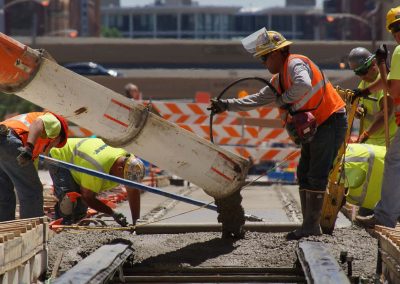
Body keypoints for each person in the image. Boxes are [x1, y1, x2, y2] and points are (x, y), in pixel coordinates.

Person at [208, 28, 347, 240]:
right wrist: (226, 105)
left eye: (264, 57)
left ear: (275, 53)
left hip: (330, 120)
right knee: (304, 173)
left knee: (316, 174)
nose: (263, 63)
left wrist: (282, 100)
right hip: (318, 127)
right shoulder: (278, 80)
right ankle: (309, 225)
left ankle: (311, 227)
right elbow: (256, 100)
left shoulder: (294, 64)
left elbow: (303, 84)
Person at [356, 6, 400, 228]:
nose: (396, 33)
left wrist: (386, 67)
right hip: (379, 139)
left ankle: (385, 216)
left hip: (389, 136)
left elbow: (393, 89)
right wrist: (362, 93)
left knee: (394, 164)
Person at [48, 138, 145, 226]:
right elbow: (88, 198)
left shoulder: (130, 161)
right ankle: (63, 226)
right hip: (61, 156)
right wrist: (112, 213)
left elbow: (133, 190)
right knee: (70, 199)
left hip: (82, 158)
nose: (125, 183)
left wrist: (136, 221)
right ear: (119, 169)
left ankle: (74, 222)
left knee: (80, 209)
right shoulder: (96, 168)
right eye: (125, 179)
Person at [0, 111, 68, 221]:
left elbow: (31, 173)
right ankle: (32, 226)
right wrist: (29, 147)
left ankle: (3, 225)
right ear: (59, 136)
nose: (54, 146)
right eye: (58, 144)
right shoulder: (56, 122)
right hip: (9, 140)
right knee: (31, 191)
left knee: (3, 190)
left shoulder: (36, 145)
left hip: (3, 138)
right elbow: (37, 123)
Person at [348, 47, 397, 146]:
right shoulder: (364, 83)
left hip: (389, 140)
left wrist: (366, 134)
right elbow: (362, 105)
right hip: (371, 141)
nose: (362, 77)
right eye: (358, 73)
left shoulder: (385, 80)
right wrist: (358, 110)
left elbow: (387, 112)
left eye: (363, 71)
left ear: (373, 63)